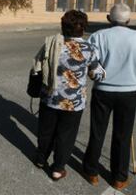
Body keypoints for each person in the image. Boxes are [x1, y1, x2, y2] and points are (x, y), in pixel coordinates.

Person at [32, 10, 105, 181]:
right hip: (73, 103)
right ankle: (58, 169)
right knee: (66, 136)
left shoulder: (51, 43)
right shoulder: (89, 48)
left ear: (63, 26)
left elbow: (38, 65)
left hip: (50, 98)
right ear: (83, 28)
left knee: (46, 131)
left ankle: (41, 159)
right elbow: (95, 74)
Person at [83, 3, 136, 191]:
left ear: (108, 18)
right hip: (129, 92)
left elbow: (90, 63)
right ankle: (119, 177)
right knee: (123, 134)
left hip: (103, 90)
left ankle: (91, 171)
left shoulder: (98, 36)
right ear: (129, 20)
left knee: (98, 131)